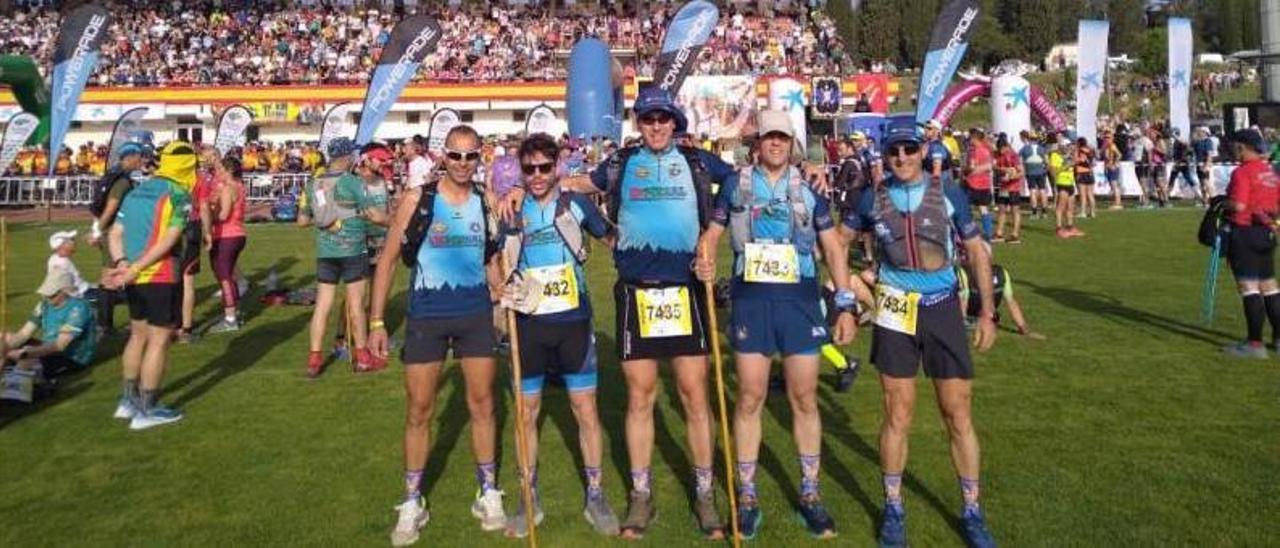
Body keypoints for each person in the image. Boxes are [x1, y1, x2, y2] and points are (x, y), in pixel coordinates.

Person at [510, 87, 731, 540]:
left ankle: (706, 493)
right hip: (636, 292)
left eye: (663, 119)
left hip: (685, 288)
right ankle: (641, 493)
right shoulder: (621, 162)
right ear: (639, 122)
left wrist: (712, 235)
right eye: (648, 118)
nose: (655, 126)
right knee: (640, 397)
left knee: (693, 394)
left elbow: (735, 183)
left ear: (675, 123)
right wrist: (522, 185)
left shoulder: (697, 161)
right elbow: (576, 184)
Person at [700, 110, 864, 539]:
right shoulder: (738, 183)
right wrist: (705, 252)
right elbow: (716, 230)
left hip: (800, 302)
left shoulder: (810, 187)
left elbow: (832, 246)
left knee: (804, 397)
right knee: (750, 396)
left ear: (792, 142)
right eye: (768, 137)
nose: (775, 144)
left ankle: (810, 493)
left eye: (782, 138)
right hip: (752, 300)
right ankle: (748, 494)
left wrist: (845, 303)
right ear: (758, 142)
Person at [839, 119, 998, 548]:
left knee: (957, 412)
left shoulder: (947, 193)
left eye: (909, 149)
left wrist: (986, 311)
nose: (902, 157)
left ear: (922, 151)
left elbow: (976, 252)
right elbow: (836, 240)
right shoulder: (872, 196)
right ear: (885, 155)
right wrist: (844, 298)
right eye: (894, 151)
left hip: (942, 308)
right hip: (894, 310)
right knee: (897, 412)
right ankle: (893, 507)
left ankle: (971, 509)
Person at [368, 125, 507, 545]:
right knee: (420, 409)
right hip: (427, 313)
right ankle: (412, 500)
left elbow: (489, 258)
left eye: (471, 156)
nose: (463, 164)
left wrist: (501, 291)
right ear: (442, 157)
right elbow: (389, 261)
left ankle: (488, 491)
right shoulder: (418, 199)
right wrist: (376, 322)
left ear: (480, 158)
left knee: (482, 404)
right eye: (456, 156)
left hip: (475, 315)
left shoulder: (486, 201)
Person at [496, 133, 618, 538]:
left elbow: (611, 237)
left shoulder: (574, 203)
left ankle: (596, 494)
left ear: (556, 167)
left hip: (573, 321)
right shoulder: (511, 208)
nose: (535, 176)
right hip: (529, 324)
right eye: (527, 169)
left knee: (585, 410)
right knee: (526, 414)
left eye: (543, 168)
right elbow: (492, 259)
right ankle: (527, 495)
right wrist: (500, 288)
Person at [102, 140, 197, 431]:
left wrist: (122, 265)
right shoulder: (179, 195)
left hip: (132, 275)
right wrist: (136, 269)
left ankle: (128, 400)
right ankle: (148, 408)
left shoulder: (135, 191)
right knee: (158, 340)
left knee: (137, 336)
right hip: (158, 275)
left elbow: (115, 233)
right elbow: (168, 241)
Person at [298, 137, 387, 376]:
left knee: (322, 306)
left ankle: (314, 359)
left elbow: (302, 221)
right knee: (356, 305)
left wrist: (327, 223)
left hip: (326, 252)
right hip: (353, 250)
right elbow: (374, 215)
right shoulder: (353, 182)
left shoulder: (313, 184)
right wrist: (395, 221)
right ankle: (362, 357)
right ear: (348, 157)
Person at [1220, 129, 1280, 359]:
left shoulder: (1242, 173)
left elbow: (1239, 206)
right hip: (1267, 233)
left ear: (1243, 147)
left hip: (1245, 233)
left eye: (1236, 145)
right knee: (1270, 287)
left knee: (1249, 288)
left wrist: (1221, 203)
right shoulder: (1271, 172)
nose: (1234, 149)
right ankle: (1278, 338)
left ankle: (1255, 344)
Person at [89, 140, 151, 336]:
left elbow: (99, 206)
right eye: (140, 156)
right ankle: (106, 326)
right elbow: (111, 207)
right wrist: (98, 231)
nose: (142, 160)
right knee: (111, 277)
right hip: (115, 234)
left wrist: (97, 228)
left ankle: (108, 324)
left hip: (111, 232)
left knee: (115, 275)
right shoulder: (122, 182)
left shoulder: (112, 176)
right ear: (130, 157)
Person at [3, 269, 99, 385]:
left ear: (65, 291)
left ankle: (15, 395)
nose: (47, 298)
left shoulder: (78, 309)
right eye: (46, 294)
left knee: (26, 361)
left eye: (52, 295)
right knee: (5, 337)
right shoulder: (43, 305)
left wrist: (27, 353)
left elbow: (60, 346)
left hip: (71, 357)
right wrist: (6, 347)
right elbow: (24, 334)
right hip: (47, 347)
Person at [204, 155, 248, 334]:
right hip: (237, 234)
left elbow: (223, 215)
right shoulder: (240, 186)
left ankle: (230, 319)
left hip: (226, 235)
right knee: (228, 275)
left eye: (221, 169)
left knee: (224, 277)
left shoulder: (228, 188)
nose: (218, 173)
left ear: (229, 171)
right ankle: (233, 312)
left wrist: (208, 215)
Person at [1048, 137, 1083, 238]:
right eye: (1067, 146)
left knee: (1070, 208)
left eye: (1070, 146)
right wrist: (1066, 166)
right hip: (1062, 183)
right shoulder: (1055, 155)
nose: (1069, 148)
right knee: (1060, 207)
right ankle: (1059, 228)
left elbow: (1074, 164)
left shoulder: (1069, 155)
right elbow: (1053, 172)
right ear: (1062, 146)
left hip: (1070, 183)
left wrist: (1073, 161)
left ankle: (1070, 227)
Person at [965, 128, 995, 240]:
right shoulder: (987, 150)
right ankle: (988, 233)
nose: (970, 140)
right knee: (983, 208)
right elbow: (990, 166)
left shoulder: (974, 151)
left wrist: (965, 171)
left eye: (970, 138)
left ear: (974, 138)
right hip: (985, 183)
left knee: (965, 207)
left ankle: (968, 231)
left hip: (973, 183)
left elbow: (972, 166)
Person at [994, 135, 1024, 244]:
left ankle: (1015, 235)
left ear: (1006, 147)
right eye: (999, 149)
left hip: (1013, 187)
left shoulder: (1013, 156)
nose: (1001, 151)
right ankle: (999, 233)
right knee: (1001, 209)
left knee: (1014, 210)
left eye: (1002, 149)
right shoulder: (998, 155)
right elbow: (995, 167)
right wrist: (1002, 169)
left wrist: (1011, 176)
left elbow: (1021, 172)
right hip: (1004, 187)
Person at [1019, 131, 1050, 219]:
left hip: (1030, 172)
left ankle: (1034, 212)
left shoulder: (1024, 148)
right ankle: (1044, 212)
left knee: (1032, 191)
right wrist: (1045, 170)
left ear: (1029, 139)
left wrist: (1023, 170)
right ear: (1037, 139)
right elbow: (1047, 162)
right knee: (1043, 191)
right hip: (1040, 172)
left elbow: (1020, 161)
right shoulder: (1042, 149)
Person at [1073, 136, 1097, 218]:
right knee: (1090, 194)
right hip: (1090, 173)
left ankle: (1083, 212)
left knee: (1082, 195)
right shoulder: (1090, 151)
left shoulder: (1078, 150)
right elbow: (1093, 163)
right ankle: (1092, 212)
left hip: (1081, 173)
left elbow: (1076, 161)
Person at [1194, 127, 1217, 208]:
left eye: (1201, 131)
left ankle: (1213, 200)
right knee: (1202, 185)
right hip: (1199, 164)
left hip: (1204, 164)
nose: (1199, 132)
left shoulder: (1208, 141)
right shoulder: (1198, 142)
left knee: (1206, 183)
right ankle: (1204, 201)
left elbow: (1209, 154)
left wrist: (1206, 165)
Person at [1102, 131, 1124, 210]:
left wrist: (1114, 164)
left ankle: (1118, 203)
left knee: (1114, 185)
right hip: (1108, 168)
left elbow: (1119, 155)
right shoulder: (1105, 147)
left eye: (1108, 137)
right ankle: (1116, 202)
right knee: (1112, 185)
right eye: (1105, 137)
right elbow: (1105, 159)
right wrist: (1105, 167)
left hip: (1113, 168)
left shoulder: (1112, 146)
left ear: (1112, 138)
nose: (1106, 139)